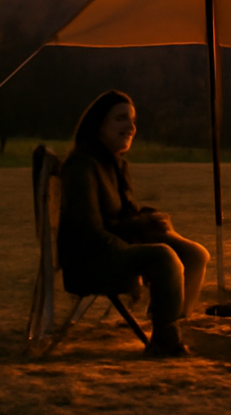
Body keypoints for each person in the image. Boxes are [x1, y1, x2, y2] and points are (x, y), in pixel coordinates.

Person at [58, 90, 209, 358]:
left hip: (115, 245)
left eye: (132, 121)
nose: (130, 127)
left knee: (195, 254)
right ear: (98, 124)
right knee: (163, 256)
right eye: (120, 119)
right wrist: (137, 245)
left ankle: (173, 323)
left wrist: (148, 222)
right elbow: (88, 232)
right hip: (90, 259)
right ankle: (165, 340)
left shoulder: (116, 164)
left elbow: (123, 217)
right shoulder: (81, 166)